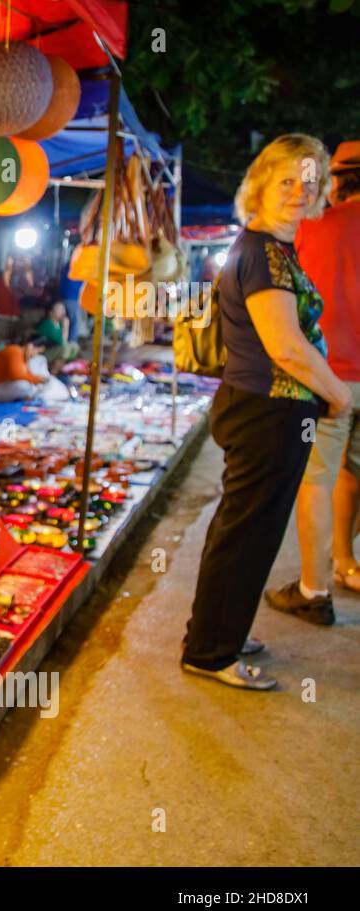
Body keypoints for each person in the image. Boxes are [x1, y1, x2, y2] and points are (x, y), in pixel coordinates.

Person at [182, 134, 353, 689]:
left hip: (270, 410)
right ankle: (211, 652)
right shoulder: (261, 254)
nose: (299, 192)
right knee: (246, 533)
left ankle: (218, 633)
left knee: (247, 532)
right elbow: (285, 347)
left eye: (309, 181)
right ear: (259, 184)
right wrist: (338, 393)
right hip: (265, 410)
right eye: (287, 180)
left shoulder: (274, 249)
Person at [267, 140, 360, 617]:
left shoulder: (313, 226)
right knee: (351, 472)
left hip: (331, 379)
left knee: (317, 481)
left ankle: (314, 591)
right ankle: (346, 561)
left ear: (338, 181)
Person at [0, 336, 49, 403]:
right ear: (30, 346)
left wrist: (37, 379)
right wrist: (37, 379)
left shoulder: (24, 359)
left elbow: (27, 375)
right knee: (24, 386)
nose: (35, 355)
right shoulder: (15, 351)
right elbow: (15, 375)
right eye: (37, 352)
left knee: (29, 387)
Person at [35, 301, 80, 373]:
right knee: (65, 348)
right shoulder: (48, 324)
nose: (62, 311)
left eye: (63, 309)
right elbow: (62, 342)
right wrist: (66, 327)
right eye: (59, 309)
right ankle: (53, 372)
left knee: (74, 346)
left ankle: (58, 370)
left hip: (54, 351)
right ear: (51, 312)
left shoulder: (59, 324)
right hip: (42, 352)